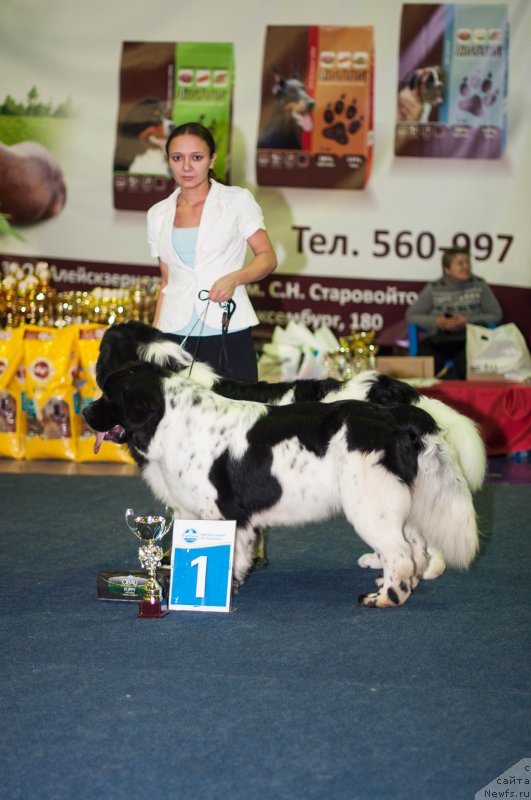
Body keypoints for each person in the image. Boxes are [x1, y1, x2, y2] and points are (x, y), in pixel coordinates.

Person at [147, 121, 277, 381]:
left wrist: (235, 278)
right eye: (177, 158)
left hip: (226, 328)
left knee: (238, 412)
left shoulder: (236, 201)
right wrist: (155, 335)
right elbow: (166, 280)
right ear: (169, 161)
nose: (186, 167)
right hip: (174, 332)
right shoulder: (157, 213)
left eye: (196, 157)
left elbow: (267, 258)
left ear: (211, 160)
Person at [406, 247, 502, 379]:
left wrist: (467, 320)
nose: (465, 266)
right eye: (460, 263)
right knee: (424, 358)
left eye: (467, 262)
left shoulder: (479, 285)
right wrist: (437, 322)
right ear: (447, 269)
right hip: (441, 339)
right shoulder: (434, 287)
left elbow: (495, 315)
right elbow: (411, 315)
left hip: (469, 340)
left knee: (465, 361)